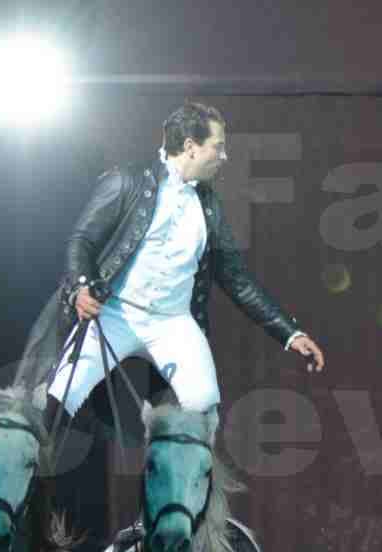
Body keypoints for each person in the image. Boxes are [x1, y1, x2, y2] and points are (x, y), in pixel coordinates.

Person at [16, 100, 326, 427]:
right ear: (191, 147)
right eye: (218, 147)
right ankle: (27, 472)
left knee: (204, 413)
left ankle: (196, 478)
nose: (224, 156)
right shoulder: (126, 181)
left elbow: (238, 280)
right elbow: (82, 239)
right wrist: (82, 287)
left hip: (173, 324)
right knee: (58, 399)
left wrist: (290, 333)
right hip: (114, 314)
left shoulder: (209, 207)